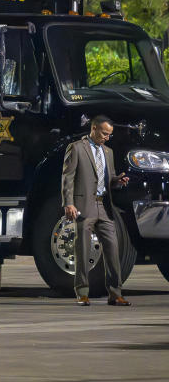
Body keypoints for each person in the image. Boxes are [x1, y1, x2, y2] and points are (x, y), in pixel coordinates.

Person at [62, 115, 131, 306]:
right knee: (83, 251)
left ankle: (115, 293)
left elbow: (108, 179)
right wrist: (68, 203)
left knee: (113, 249)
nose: (107, 137)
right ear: (93, 128)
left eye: (109, 134)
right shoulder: (76, 148)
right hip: (84, 206)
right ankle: (82, 292)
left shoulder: (108, 152)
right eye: (104, 133)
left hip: (104, 206)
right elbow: (67, 178)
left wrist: (117, 181)